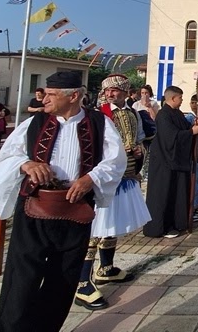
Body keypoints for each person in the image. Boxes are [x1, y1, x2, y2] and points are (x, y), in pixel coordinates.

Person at [0, 71, 124, 332]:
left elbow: (115, 160)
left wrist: (91, 178)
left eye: (52, 94)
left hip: (74, 212)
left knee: (63, 279)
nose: (45, 99)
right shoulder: (34, 123)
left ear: (73, 96)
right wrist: (26, 164)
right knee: (22, 278)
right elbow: (6, 157)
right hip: (34, 211)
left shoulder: (98, 123)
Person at [75, 74, 152, 310]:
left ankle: (106, 267)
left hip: (125, 174)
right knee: (95, 229)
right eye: (108, 91)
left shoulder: (133, 113)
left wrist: (138, 151)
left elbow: (140, 139)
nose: (111, 94)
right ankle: (81, 282)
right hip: (103, 176)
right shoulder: (97, 116)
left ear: (125, 93)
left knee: (112, 225)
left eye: (116, 91)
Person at [144, 86, 198, 238]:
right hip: (165, 161)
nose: (182, 101)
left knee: (178, 191)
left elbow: (184, 128)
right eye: (180, 98)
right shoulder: (164, 115)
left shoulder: (176, 113)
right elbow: (171, 137)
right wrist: (191, 133)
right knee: (165, 193)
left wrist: (193, 126)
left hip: (176, 160)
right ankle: (163, 226)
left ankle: (178, 222)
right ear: (173, 98)